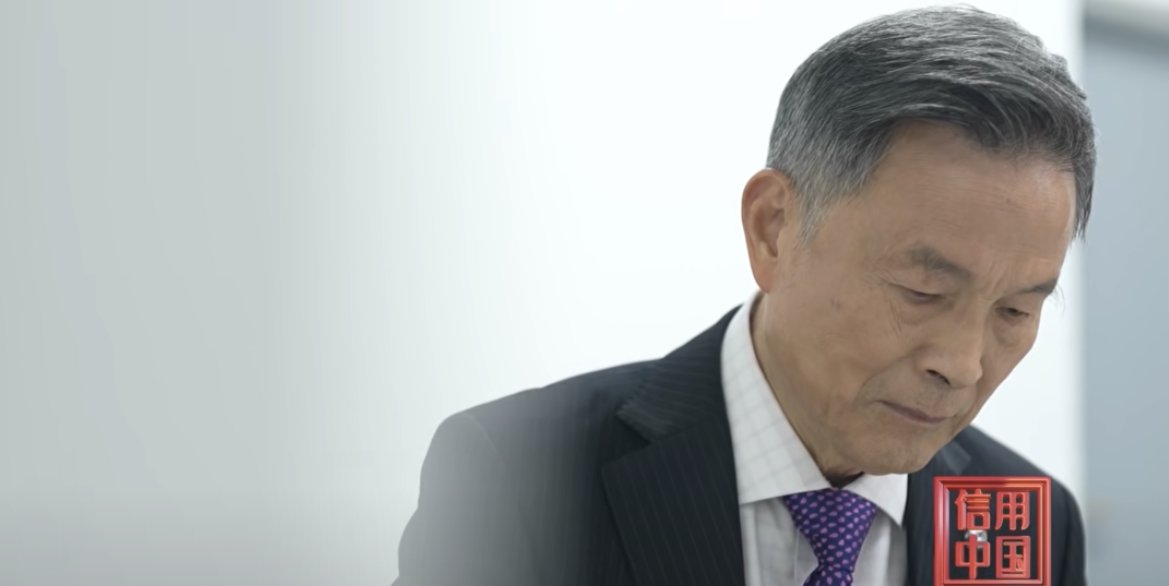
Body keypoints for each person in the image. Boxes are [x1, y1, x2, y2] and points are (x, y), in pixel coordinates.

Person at [393, 6, 1092, 586]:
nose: (963, 364)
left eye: (1015, 311)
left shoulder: (1024, 520)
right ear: (773, 228)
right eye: (922, 290)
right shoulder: (524, 476)